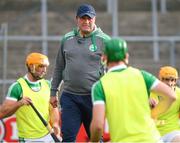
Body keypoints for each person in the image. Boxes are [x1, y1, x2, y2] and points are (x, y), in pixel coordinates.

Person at [90, 38, 176, 142]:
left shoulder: (100, 86)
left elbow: (98, 125)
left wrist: (93, 141)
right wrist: (153, 114)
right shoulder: (142, 75)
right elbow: (171, 96)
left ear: (104, 58)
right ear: (126, 57)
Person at [49, 3, 111, 142]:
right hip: (70, 97)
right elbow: (59, 67)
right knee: (68, 138)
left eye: (89, 18)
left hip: (93, 98)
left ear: (95, 19)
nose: (86, 22)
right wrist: (53, 92)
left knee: (95, 139)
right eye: (83, 18)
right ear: (77, 19)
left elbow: (115, 70)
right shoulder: (67, 39)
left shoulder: (105, 41)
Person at [0, 52, 60, 142]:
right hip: (28, 139)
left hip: (48, 136)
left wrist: (55, 124)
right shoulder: (18, 87)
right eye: (41, 66)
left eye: (45, 67)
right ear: (31, 67)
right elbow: (2, 113)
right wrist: (19, 104)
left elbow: (53, 108)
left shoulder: (48, 85)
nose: (44, 70)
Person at [150, 66, 180, 143]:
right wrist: (146, 104)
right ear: (160, 79)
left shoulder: (179, 93)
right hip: (153, 133)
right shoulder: (150, 93)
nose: (170, 83)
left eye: (173, 80)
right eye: (167, 79)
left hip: (173, 131)